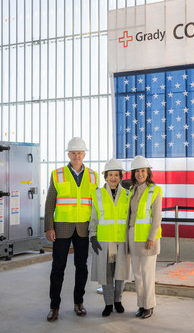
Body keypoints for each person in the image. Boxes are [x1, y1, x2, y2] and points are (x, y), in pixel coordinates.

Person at [44, 137, 99, 322]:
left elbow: (97, 204)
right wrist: (48, 227)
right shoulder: (57, 174)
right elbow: (50, 201)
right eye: (73, 153)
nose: (77, 156)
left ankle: (79, 303)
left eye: (80, 153)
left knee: (81, 267)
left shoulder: (93, 175)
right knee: (58, 267)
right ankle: (54, 307)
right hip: (61, 227)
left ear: (84, 154)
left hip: (83, 228)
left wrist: (96, 228)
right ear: (68, 154)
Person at [89, 158, 131, 317]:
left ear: (121, 177)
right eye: (110, 174)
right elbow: (94, 218)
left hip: (121, 240)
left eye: (116, 175)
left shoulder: (127, 194)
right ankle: (108, 303)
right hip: (104, 240)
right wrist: (92, 236)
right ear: (105, 176)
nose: (113, 178)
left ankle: (118, 300)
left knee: (120, 274)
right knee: (106, 274)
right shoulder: (97, 194)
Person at [127, 155, 163, 319]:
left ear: (148, 172)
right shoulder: (132, 190)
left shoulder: (155, 190)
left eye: (143, 171)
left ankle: (149, 305)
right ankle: (141, 304)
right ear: (133, 173)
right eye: (137, 171)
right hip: (133, 236)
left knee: (148, 274)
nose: (140, 174)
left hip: (148, 237)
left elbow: (156, 217)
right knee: (137, 274)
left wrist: (151, 238)